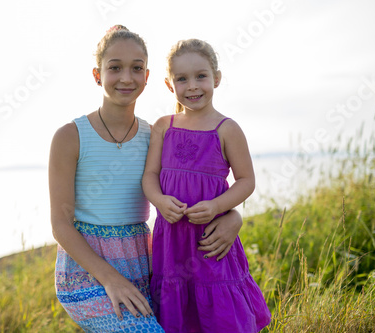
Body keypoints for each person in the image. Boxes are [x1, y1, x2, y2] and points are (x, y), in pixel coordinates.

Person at [49, 26, 244, 332]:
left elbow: (194, 183)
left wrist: (233, 217)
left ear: (148, 77)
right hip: (87, 271)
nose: (126, 77)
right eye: (115, 68)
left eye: (136, 68)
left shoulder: (156, 135)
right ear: (97, 74)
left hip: (146, 262)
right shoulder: (70, 137)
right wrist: (111, 279)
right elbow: (60, 225)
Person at [142, 38, 271, 332]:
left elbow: (246, 180)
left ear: (217, 78)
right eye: (181, 79)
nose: (192, 86)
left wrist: (218, 206)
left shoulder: (226, 128)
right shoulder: (163, 126)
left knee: (220, 312)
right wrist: (160, 201)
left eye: (201, 76)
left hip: (210, 241)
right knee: (177, 311)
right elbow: (149, 176)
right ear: (168, 84)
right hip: (171, 242)